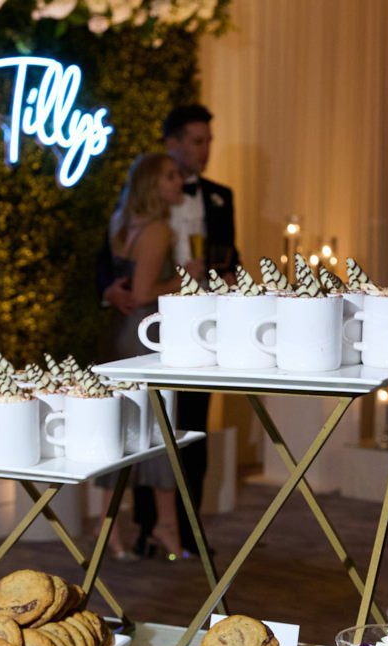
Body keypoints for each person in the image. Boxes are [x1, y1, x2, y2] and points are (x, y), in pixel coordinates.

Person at [100, 105, 237, 556]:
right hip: (155, 329)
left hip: (199, 326)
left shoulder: (219, 197)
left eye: (209, 140)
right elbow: (112, 271)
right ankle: (154, 528)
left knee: (186, 429)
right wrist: (113, 289)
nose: (205, 150)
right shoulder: (151, 221)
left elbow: (230, 259)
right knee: (159, 431)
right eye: (197, 141)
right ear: (172, 145)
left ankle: (182, 528)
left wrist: (221, 276)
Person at [96, 152, 205, 558]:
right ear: (151, 185)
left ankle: (108, 528)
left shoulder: (121, 221)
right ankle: (165, 524)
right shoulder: (158, 230)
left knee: (119, 429)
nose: (179, 182)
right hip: (144, 337)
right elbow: (142, 293)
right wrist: (185, 277)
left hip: (120, 334)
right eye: (171, 177)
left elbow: (123, 283)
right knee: (158, 429)